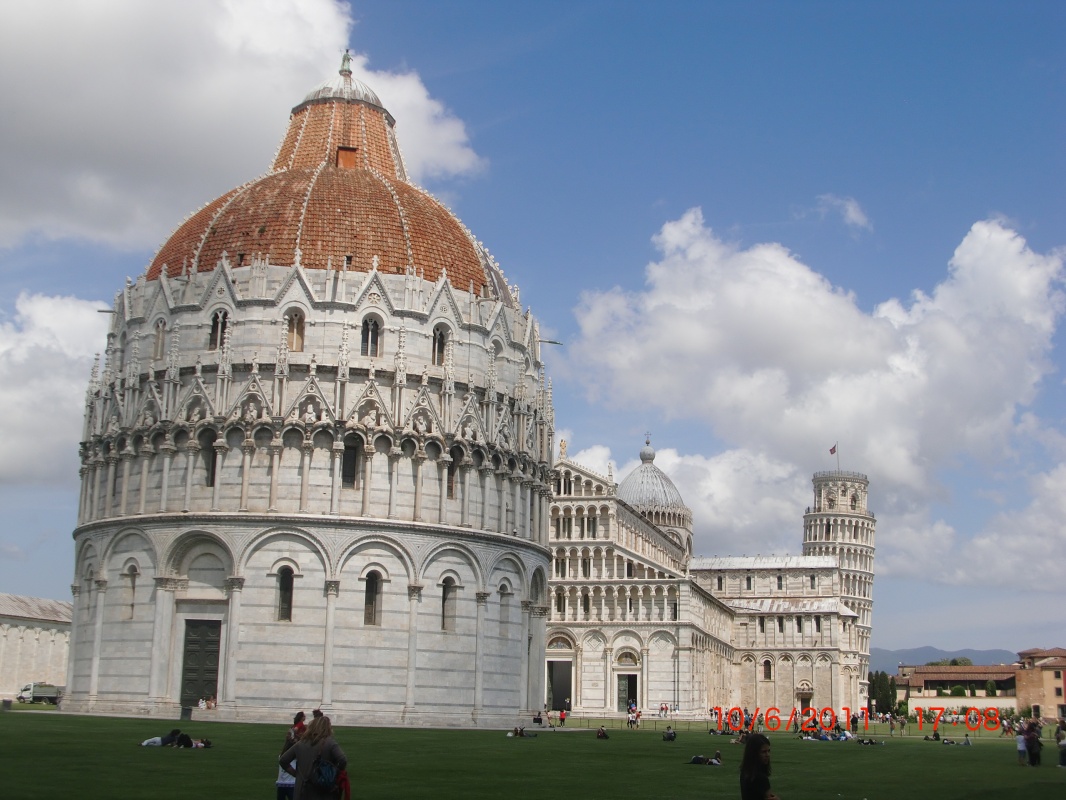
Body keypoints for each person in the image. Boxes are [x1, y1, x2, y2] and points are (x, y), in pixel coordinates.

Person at [279, 715, 348, 800]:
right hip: (323, 791)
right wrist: (333, 773)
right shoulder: (330, 743)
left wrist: (296, 774)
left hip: (301, 791)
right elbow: (342, 760)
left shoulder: (301, 743)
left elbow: (283, 760)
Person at [739, 733, 780, 800]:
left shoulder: (745, 772)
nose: (767, 755)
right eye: (763, 752)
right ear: (754, 753)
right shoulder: (761, 777)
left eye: (768, 751)